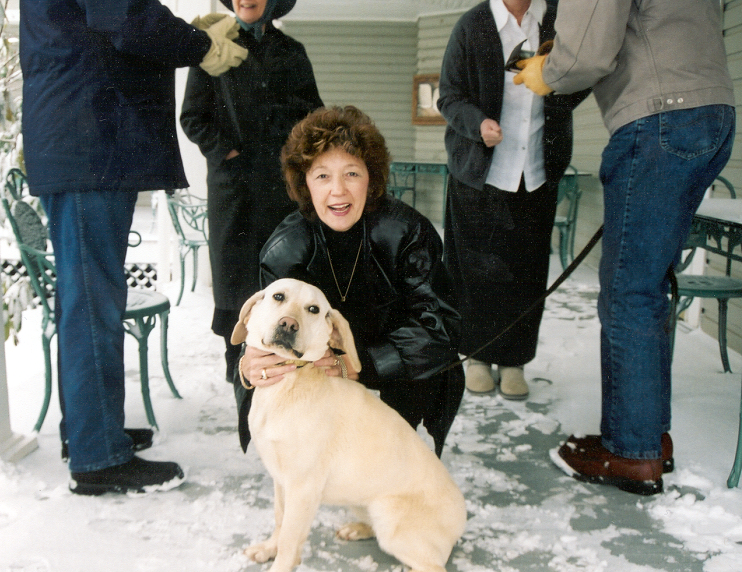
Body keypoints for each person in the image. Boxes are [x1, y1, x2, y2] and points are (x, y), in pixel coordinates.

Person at [19, 0, 247, 495]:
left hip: (83, 140)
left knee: (90, 297)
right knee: (92, 302)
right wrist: (200, 45)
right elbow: (125, 17)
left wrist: (188, 34)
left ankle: (89, 431)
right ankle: (98, 456)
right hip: (87, 140)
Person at [514, 0, 735, 494]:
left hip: (658, 118)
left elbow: (585, 57)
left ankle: (631, 454)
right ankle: (648, 438)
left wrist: (543, 73)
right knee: (647, 288)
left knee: (628, 293)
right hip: (711, 113)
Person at [235, 106, 465, 457]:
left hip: (395, 366)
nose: (338, 191)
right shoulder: (286, 248)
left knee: (388, 455)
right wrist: (249, 365)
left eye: (352, 174)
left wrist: (363, 364)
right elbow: (259, 333)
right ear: (304, 183)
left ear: (371, 178)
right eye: (322, 176)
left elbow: (440, 325)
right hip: (321, 366)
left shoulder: (408, 232)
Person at [437, 0, 589, 400]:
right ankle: (477, 358)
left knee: (527, 270)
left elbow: (582, 77)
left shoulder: (559, 20)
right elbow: (448, 96)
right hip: (479, 174)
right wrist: (478, 123)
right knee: (474, 271)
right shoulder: (473, 25)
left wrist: (554, 80)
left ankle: (514, 361)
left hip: (537, 171)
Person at [180, 0, 324, 384]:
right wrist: (228, 150)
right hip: (234, 189)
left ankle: (282, 361)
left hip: (282, 190)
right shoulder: (212, 45)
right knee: (237, 274)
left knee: (280, 273)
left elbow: (314, 115)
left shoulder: (292, 52)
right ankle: (239, 364)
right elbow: (192, 117)